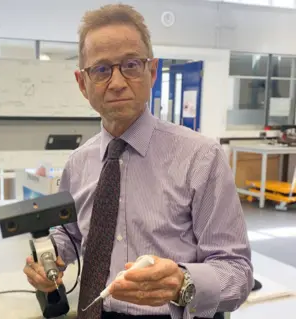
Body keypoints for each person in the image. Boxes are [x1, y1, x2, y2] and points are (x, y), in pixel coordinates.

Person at [23, 4, 253, 319]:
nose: (117, 82)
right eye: (101, 69)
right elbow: (72, 234)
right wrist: (48, 257)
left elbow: (237, 273)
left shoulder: (202, 158)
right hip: (95, 310)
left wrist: (182, 282)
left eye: (130, 65)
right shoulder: (78, 163)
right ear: (82, 83)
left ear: (152, 72)